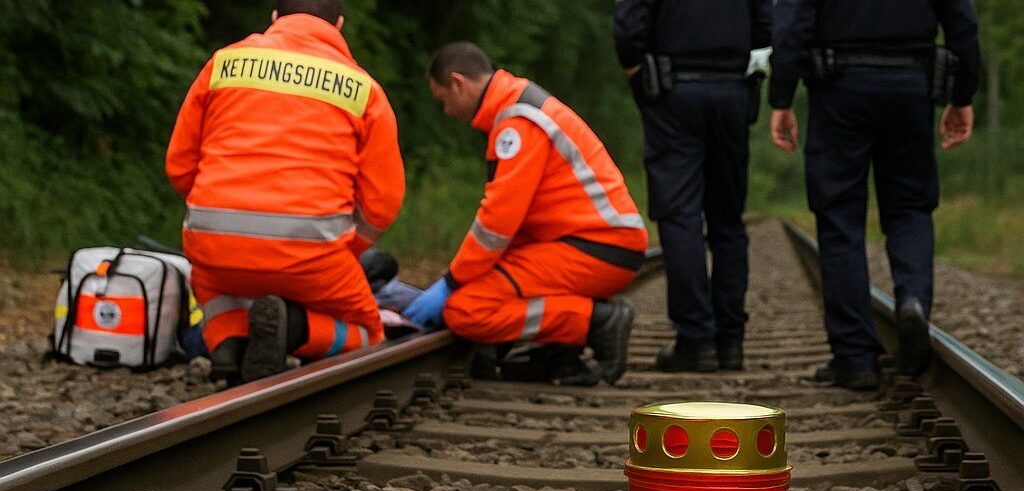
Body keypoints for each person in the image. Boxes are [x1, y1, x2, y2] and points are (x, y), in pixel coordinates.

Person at [166, 0, 405, 383]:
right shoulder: (363, 89)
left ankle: (228, 343)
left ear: (275, 18)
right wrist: (344, 249)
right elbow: (383, 202)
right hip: (313, 257)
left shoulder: (224, 64)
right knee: (369, 331)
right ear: (339, 24)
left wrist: (219, 220)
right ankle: (293, 329)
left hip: (213, 246)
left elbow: (179, 164)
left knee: (212, 283)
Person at [405, 42, 649, 385]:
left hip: (596, 247)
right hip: (597, 242)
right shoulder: (517, 108)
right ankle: (559, 348)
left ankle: (597, 322)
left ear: (458, 83)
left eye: (443, 99)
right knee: (482, 290)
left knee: (465, 309)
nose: (445, 110)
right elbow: (514, 225)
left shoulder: (517, 122)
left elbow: (497, 224)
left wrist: (451, 282)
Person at [770, 0, 980, 389]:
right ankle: (913, 299)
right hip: (910, 86)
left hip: (839, 87)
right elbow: (963, 22)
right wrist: (963, 95)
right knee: (910, 207)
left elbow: (794, 24)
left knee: (839, 218)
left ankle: (854, 358)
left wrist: (781, 97)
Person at [613, 0, 772, 373]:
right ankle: (730, 343)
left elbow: (629, 22)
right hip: (732, 91)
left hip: (673, 92)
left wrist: (636, 69)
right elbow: (766, 23)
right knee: (728, 221)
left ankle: (697, 341)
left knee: (679, 214)